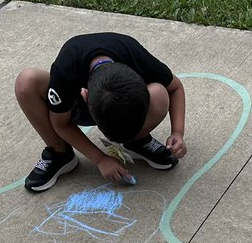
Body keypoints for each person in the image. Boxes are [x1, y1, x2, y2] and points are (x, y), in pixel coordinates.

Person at [14, 32, 187, 192]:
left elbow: (175, 87)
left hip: (117, 105)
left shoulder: (133, 53)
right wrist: (100, 159)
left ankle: (136, 141)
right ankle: (60, 154)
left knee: (159, 93)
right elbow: (60, 123)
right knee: (26, 82)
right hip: (76, 105)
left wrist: (177, 132)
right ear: (85, 95)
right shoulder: (66, 69)